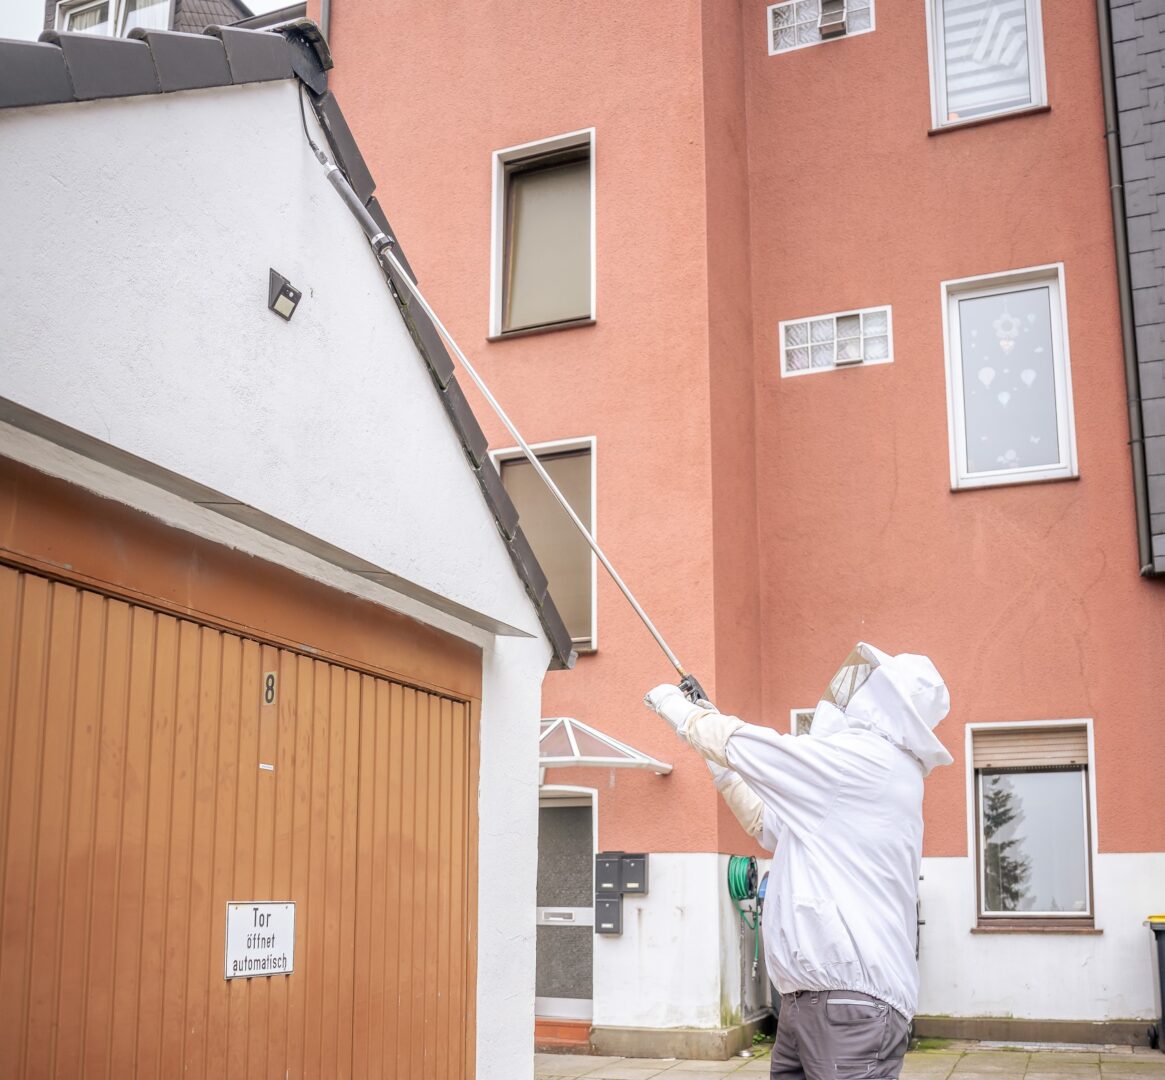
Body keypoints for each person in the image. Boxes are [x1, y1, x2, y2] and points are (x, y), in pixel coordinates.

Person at [644, 643, 953, 1080]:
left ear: (889, 701)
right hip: (812, 1000)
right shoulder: (852, 779)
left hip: (851, 1005)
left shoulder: (869, 763)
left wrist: (684, 714)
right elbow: (766, 823)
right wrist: (713, 754)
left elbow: (758, 750)